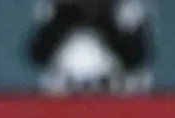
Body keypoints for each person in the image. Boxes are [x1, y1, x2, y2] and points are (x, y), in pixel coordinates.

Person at [26, 0, 154, 95]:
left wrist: (101, 17)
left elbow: (136, 58)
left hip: (113, 93)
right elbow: (38, 55)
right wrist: (67, 15)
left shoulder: (126, 10)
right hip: (64, 94)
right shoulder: (53, 10)